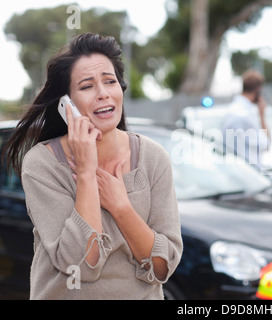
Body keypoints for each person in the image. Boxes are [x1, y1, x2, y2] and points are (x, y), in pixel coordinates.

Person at [2, 33, 182, 299]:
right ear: (67, 104)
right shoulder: (42, 164)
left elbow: (162, 267)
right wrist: (86, 173)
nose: (103, 94)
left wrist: (121, 208)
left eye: (110, 82)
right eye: (87, 86)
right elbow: (80, 266)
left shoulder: (153, 157)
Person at [220, 69, 270, 170]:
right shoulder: (244, 115)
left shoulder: (232, 110)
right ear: (258, 89)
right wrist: (262, 116)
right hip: (248, 173)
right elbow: (266, 145)